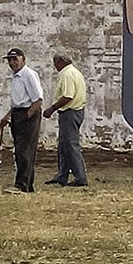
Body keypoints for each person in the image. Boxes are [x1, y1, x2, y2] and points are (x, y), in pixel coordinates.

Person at [0, 47, 43, 193]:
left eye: (15, 59)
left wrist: (27, 117)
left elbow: (37, 100)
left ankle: (21, 185)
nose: (12, 63)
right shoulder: (16, 77)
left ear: (23, 59)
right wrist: (8, 116)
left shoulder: (28, 74)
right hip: (18, 113)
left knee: (24, 151)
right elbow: (17, 102)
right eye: (10, 60)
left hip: (27, 114)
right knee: (20, 151)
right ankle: (27, 185)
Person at [46, 53, 90, 187]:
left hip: (70, 112)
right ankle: (62, 175)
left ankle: (80, 177)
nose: (55, 66)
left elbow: (68, 96)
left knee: (70, 145)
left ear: (60, 62)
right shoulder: (75, 72)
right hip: (75, 111)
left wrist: (52, 108)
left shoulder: (67, 74)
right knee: (64, 145)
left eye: (55, 63)